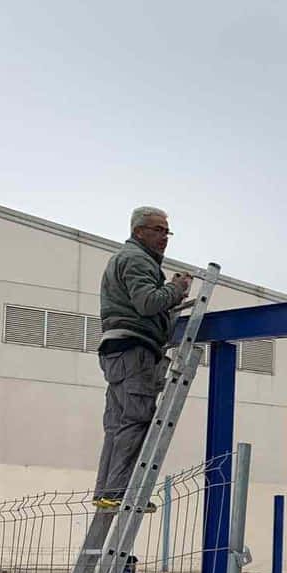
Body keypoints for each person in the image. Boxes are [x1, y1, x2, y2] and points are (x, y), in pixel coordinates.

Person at [92, 206, 194, 509]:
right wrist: (175, 289)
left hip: (118, 351)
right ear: (139, 231)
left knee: (118, 424)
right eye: (158, 230)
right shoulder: (137, 260)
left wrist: (168, 294)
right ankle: (119, 492)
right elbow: (147, 303)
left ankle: (107, 492)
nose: (164, 237)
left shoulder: (127, 259)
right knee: (135, 421)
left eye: (167, 231)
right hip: (134, 350)